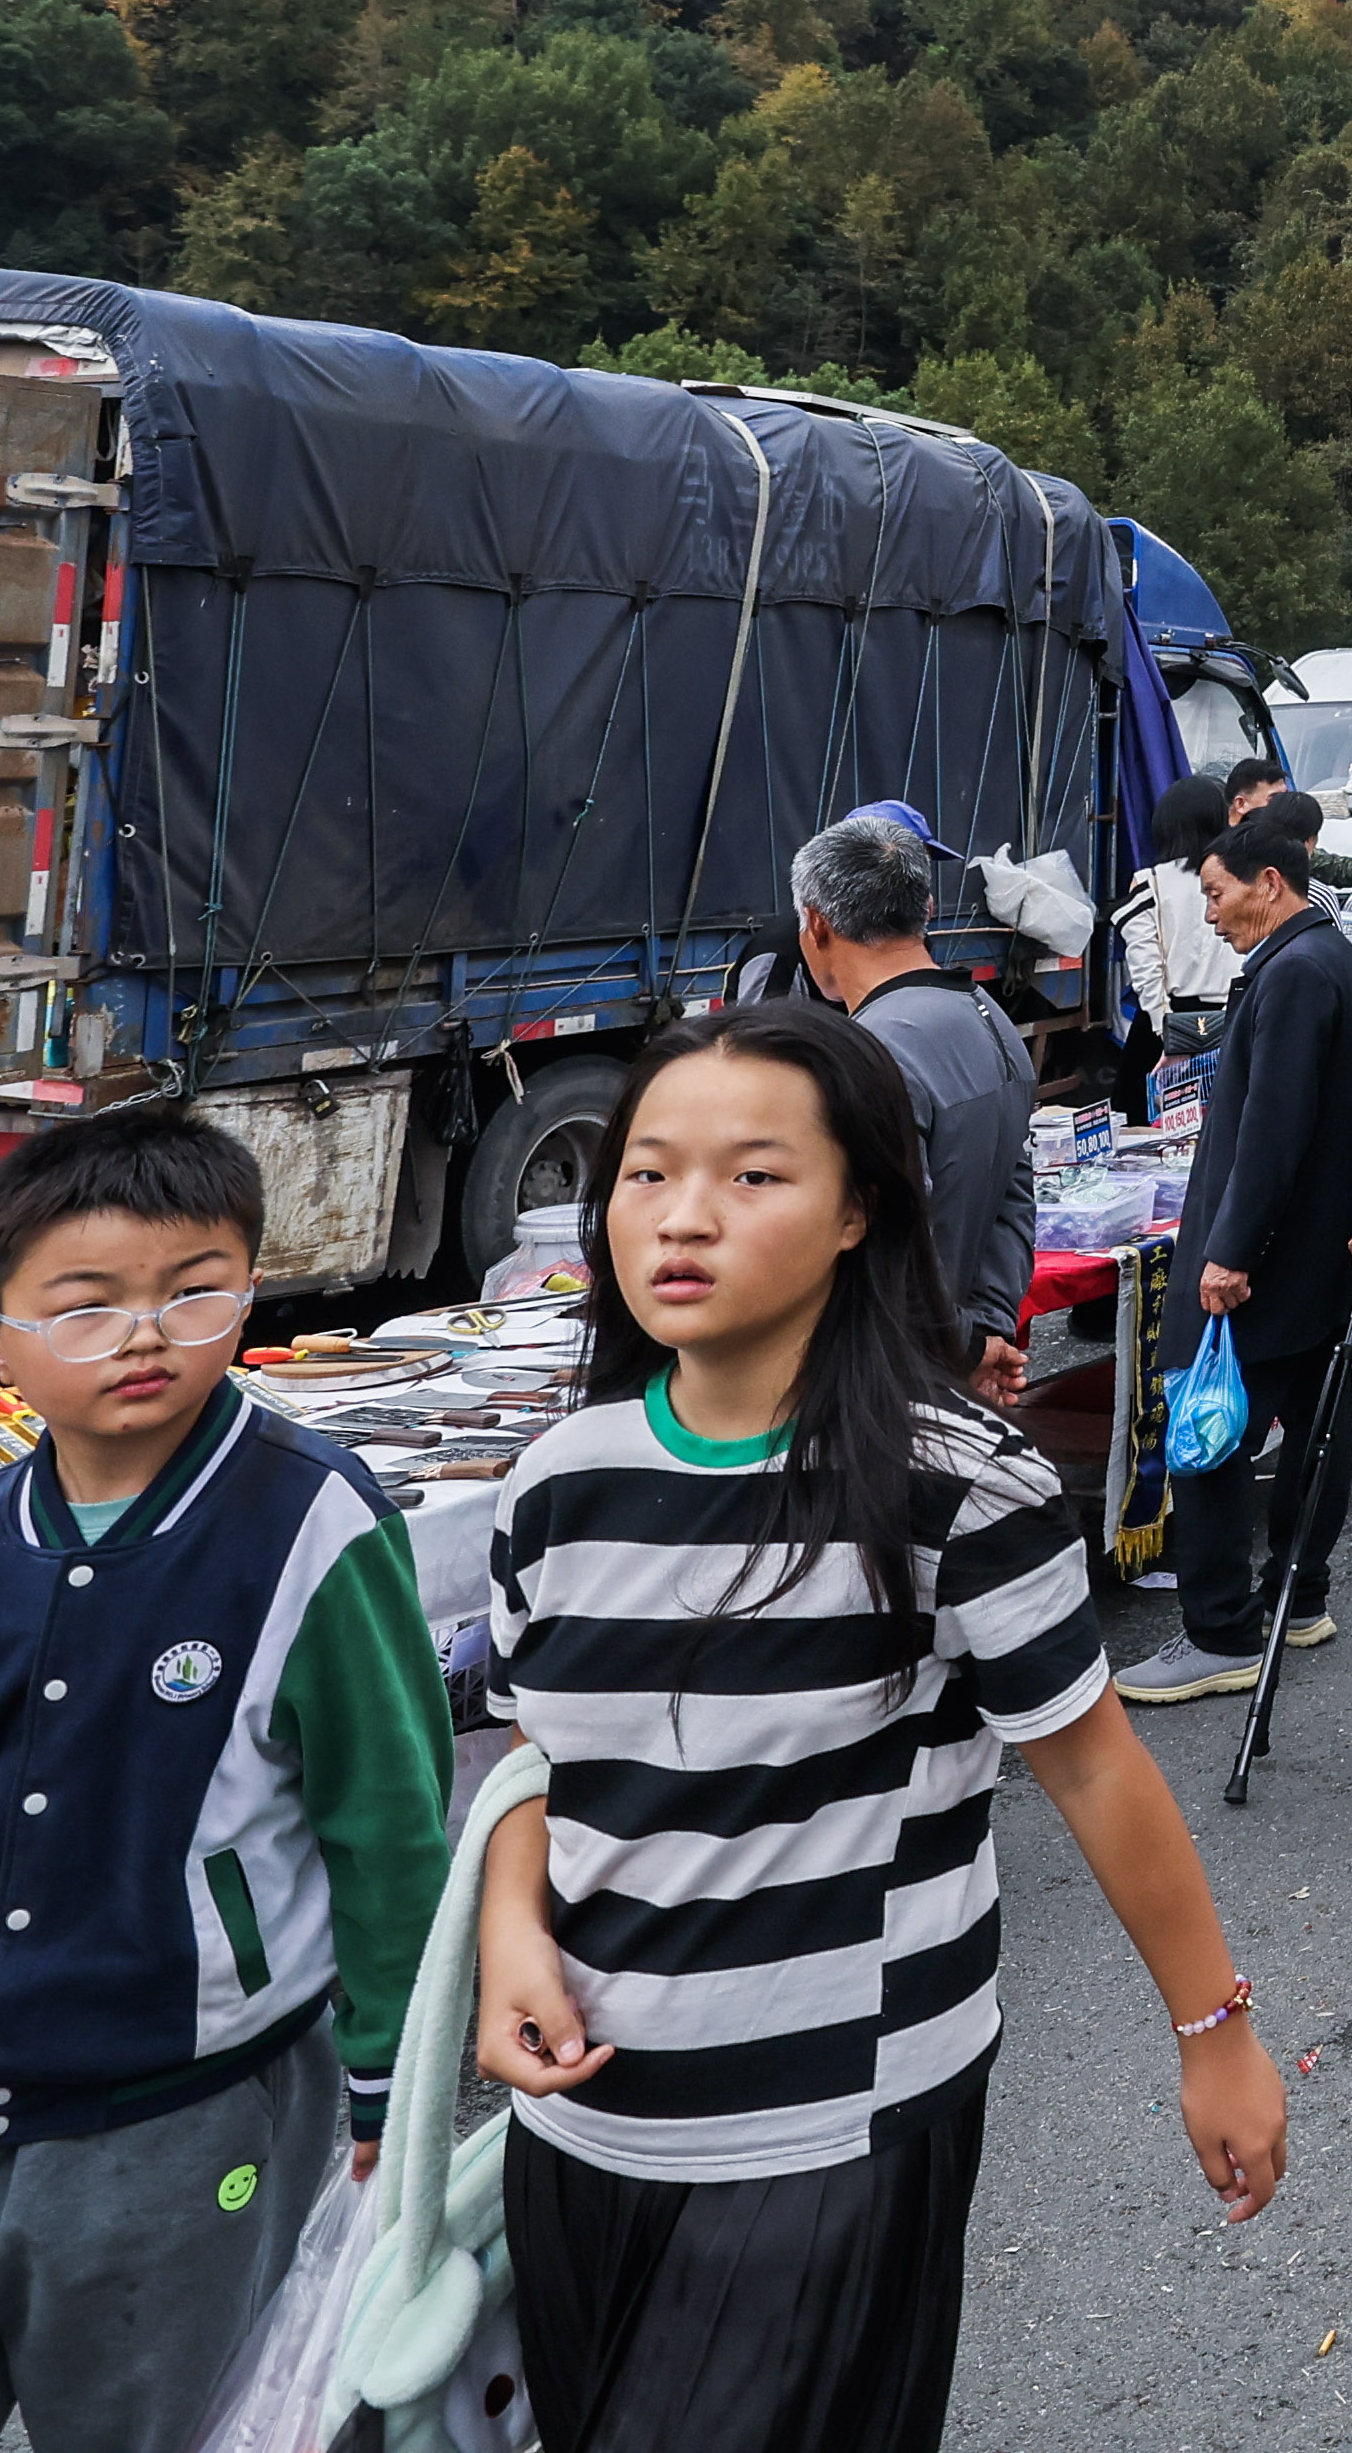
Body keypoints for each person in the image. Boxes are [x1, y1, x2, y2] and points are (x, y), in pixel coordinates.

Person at [470, 1002, 1281, 2453]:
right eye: (648, 1174)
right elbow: (544, 1763)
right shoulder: (554, 1481)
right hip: (583, 2128)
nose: (682, 1218)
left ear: (860, 1213)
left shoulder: (952, 1484)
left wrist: (1213, 2030)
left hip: (829, 2129)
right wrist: (510, 1937)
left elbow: (1094, 1765)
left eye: (755, 1176)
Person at [0, 1113, 453, 2453]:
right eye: (89, 1308)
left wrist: (396, 2075)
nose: (149, 1336)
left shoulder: (314, 1523)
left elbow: (386, 1821)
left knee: (144, 2425)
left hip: (182, 2108)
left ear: (251, 1292)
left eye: (194, 1291)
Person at [1121, 805, 1352, 1697]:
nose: (1209, 913)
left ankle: (1223, 1628)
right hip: (1314, 1249)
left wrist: (1230, 1250)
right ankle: (1295, 1597)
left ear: (1268, 884)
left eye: (1216, 893)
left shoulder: (1298, 971)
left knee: (1211, 1432)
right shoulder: (1314, 958)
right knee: (1316, 1421)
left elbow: (1272, 1130)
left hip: (1269, 1259)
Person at [786, 812, 1043, 1402]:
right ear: (923, 909)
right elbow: (1014, 1198)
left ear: (817, 925)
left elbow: (884, 1240)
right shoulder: (990, 1016)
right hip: (938, 1352)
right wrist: (983, 1333)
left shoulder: (873, 1047)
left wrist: (967, 1343)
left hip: (879, 1365)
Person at [1116, 769, 1246, 1129]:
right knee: (1226, 1128)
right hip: (1231, 1017)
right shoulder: (1242, 880)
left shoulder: (1150, 882)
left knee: (1144, 1135)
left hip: (1166, 1021)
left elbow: (1145, 966)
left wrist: (1167, 1034)